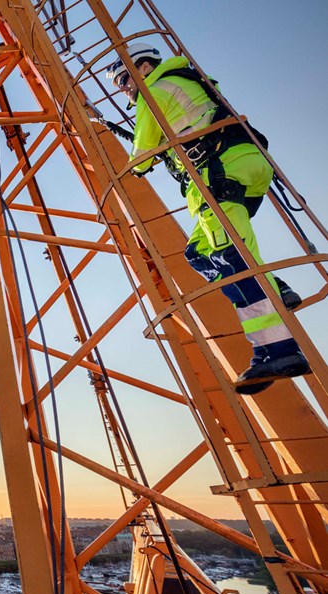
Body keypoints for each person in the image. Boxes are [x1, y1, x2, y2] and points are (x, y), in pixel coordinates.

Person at [106, 43, 309, 394]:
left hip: (216, 176)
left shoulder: (152, 94)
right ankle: (277, 291)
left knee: (234, 261)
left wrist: (134, 158)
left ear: (141, 67)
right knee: (201, 254)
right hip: (249, 166)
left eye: (125, 79)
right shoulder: (187, 80)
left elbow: (140, 159)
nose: (125, 89)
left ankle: (278, 349)